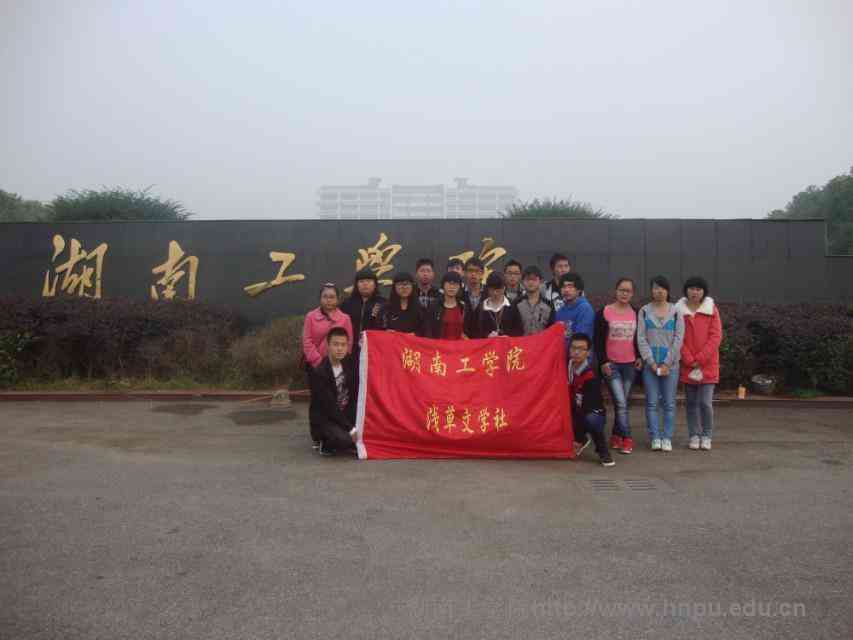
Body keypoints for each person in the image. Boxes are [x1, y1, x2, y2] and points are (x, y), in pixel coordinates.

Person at [595, 277, 643, 455]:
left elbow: (640, 338)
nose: (624, 293)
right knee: (621, 402)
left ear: (632, 294)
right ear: (616, 291)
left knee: (621, 402)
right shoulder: (604, 312)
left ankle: (616, 435)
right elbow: (598, 340)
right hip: (611, 365)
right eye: (622, 290)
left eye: (628, 291)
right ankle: (627, 437)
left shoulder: (637, 313)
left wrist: (639, 357)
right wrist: (603, 362)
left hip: (630, 365)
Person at [637, 275, 684, 452]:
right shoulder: (644, 311)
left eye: (662, 288)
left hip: (671, 366)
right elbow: (641, 339)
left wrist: (666, 363)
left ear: (668, 290)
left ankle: (667, 437)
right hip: (650, 367)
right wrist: (651, 362)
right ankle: (655, 437)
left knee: (669, 403)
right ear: (651, 290)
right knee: (651, 403)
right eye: (656, 288)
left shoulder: (676, 312)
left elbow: (678, 339)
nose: (659, 291)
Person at [676, 276, 722, 451]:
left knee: (705, 403)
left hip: (708, 365)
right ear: (686, 290)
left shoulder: (712, 310)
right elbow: (677, 336)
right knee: (691, 403)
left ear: (704, 292)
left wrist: (700, 358)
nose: (695, 292)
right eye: (692, 288)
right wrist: (688, 359)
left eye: (698, 289)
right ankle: (694, 435)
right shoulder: (678, 311)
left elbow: (716, 336)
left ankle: (707, 435)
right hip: (688, 365)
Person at [308, 327, 358, 457]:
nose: (340, 349)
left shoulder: (348, 364)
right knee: (344, 440)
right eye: (336, 344)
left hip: (344, 414)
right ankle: (323, 441)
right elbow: (329, 407)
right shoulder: (320, 372)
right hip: (326, 418)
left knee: (366, 433)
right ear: (328, 346)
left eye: (343, 345)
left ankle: (345, 436)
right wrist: (351, 429)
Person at [568, 333, 615, 467]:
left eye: (581, 349)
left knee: (592, 420)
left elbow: (586, 407)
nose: (576, 352)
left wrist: (577, 437)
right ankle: (579, 439)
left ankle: (602, 451)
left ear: (588, 352)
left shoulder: (591, 375)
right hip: (574, 406)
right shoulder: (567, 365)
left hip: (591, 410)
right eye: (573, 348)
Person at [302, 283, 353, 369]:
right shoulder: (310, 316)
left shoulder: (345, 318)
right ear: (320, 298)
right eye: (325, 297)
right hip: (315, 365)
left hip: (338, 364)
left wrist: (339, 361)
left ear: (337, 299)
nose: (328, 300)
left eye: (332, 297)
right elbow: (307, 342)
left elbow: (349, 342)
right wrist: (318, 362)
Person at [340, 268, 386, 353]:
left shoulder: (383, 303)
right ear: (356, 285)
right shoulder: (347, 304)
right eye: (361, 281)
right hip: (349, 350)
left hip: (374, 349)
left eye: (369, 281)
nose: (365, 284)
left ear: (375, 284)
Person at [467, 272, 524, 338]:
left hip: (508, 343)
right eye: (492, 290)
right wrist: (487, 336)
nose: (495, 293)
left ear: (504, 288)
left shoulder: (512, 306)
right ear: (487, 289)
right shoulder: (480, 308)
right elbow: (473, 332)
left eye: (498, 290)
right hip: (487, 344)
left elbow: (519, 330)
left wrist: (508, 337)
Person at [554, 272, 595, 350]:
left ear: (579, 290)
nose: (566, 290)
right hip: (562, 355)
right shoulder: (560, 311)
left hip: (579, 355)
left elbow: (581, 339)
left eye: (570, 286)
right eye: (563, 287)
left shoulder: (585, 309)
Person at [422, 272, 469, 339]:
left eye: (455, 284)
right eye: (449, 283)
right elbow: (428, 330)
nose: (452, 287)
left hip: (458, 344)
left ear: (459, 287)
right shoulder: (434, 306)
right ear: (443, 285)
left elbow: (465, 331)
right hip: (439, 344)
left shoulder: (463, 306)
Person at [515, 265, 555, 336]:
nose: (530, 282)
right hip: (521, 342)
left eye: (534, 279)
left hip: (542, 342)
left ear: (541, 281)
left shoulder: (549, 305)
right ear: (522, 282)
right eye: (527, 279)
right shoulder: (516, 303)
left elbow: (552, 329)